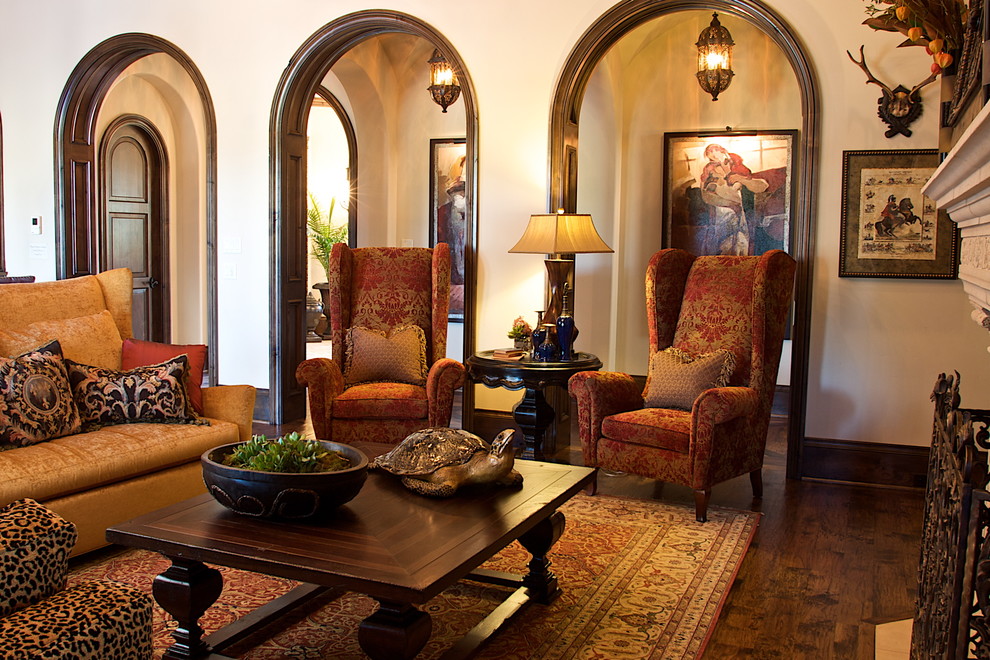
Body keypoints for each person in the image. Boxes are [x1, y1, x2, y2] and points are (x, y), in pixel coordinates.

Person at [698, 143, 769, 255]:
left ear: (722, 150)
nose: (713, 154)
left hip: (740, 208)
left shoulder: (736, 165)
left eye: (715, 150)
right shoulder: (710, 171)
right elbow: (707, 195)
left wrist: (738, 178)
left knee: (742, 237)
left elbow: (759, 184)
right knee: (726, 236)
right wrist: (729, 203)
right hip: (723, 209)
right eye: (710, 153)